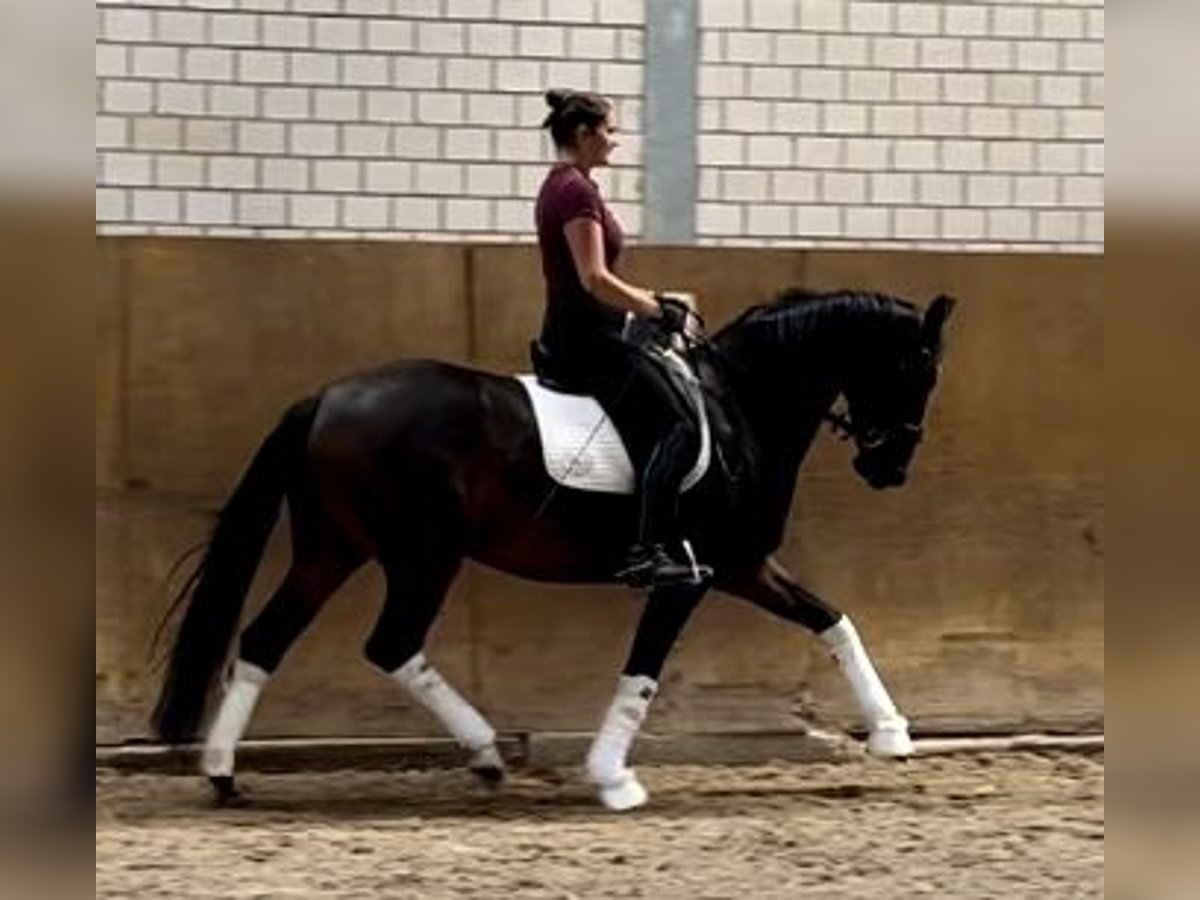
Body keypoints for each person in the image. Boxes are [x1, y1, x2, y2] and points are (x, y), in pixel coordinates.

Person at [532, 88, 712, 589]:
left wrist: (652, 303)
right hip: (586, 340)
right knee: (679, 425)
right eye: (609, 130)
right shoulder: (575, 192)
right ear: (585, 135)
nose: (615, 140)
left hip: (591, 329)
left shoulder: (565, 185)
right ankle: (647, 551)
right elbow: (593, 279)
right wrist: (657, 307)